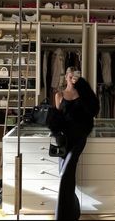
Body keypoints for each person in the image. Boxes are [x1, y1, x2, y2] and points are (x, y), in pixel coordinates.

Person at [46, 66, 100, 220]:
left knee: (64, 175)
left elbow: (94, 109)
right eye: (70, 74)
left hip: (79, 138)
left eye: (76, 75)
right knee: (66, 176)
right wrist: (55, 131)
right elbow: (57, 118)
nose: (72, 77)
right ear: (66, 77)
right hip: (64, 140)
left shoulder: (83, 94)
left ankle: (61, 216)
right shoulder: (59, 95)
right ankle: (73, 210)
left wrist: (83, 86)